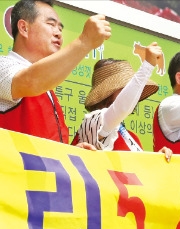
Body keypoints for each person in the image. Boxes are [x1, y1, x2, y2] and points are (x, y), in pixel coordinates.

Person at [0, 0, 110, 149]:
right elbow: (29, 81)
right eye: (51, 25)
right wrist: (85, 42)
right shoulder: (4, 65)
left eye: (60, 28)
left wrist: (70, 152)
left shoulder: (47, 87)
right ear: (24, 28)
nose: (58, 33)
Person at [72, 42, 172, 161]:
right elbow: (121, 108)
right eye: (125, 87)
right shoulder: (94, 123)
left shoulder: (132, 137)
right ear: (107, 93)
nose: (133, 92)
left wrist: (157, 161)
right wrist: (148, 65)